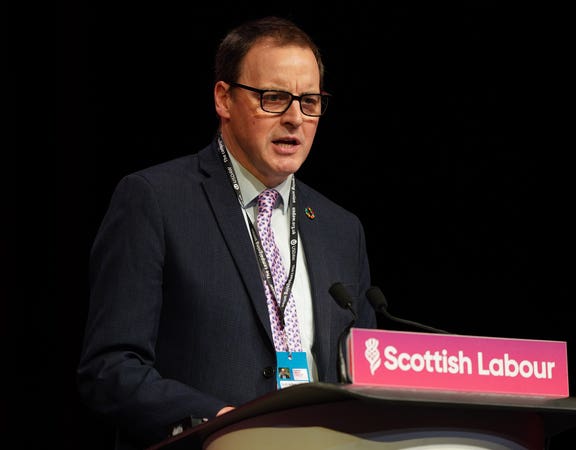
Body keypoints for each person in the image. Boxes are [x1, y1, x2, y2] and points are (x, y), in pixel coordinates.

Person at [77, 15, 377, 450]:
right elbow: (110, 368)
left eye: (309, 101)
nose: (295, 118)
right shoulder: (156, 201)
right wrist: (214, 422)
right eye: (274, 98)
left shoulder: (342, 229)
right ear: (224, 98)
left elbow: (360, 376)